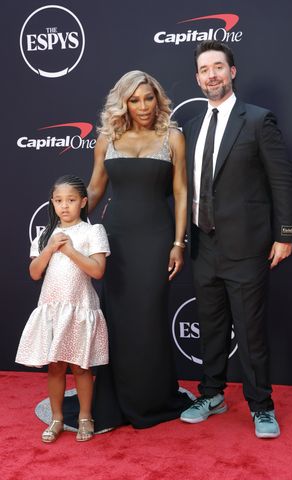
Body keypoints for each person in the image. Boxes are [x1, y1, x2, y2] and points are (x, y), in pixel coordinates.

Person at [62, 70, 193, 431]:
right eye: (134, 100)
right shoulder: (106, 139)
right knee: (116, 319)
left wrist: (179, 242)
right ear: (124, 103)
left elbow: (181, 192)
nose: (143, 106)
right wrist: (70, 221)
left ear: (157, 98)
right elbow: (96, 187)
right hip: (115, 238)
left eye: (148, 98)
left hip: (156, 237)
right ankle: (114, 397)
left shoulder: (173, 137)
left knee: (148, 316)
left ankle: (151, 397)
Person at [179, 41, 292, 438]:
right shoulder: (192, 127)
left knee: (250, 333)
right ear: (197, 78)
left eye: (218, 67)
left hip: (248, 248)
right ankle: (212, 394)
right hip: (203, 246)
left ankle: (261, 406)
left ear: (232, 71)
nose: (211, 74)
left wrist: (285, 234)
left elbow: (281, 180)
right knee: (211, 328)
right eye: (204, 69)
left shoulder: (258, 121)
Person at [16, 174, 110, 443]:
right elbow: (35, 273)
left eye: (70, 200)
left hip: (80, 307)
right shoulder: (45, 234)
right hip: (52, 309)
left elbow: (98, 270)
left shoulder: (93, 231)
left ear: (82, 202)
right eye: (58, 201)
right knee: (55, 367)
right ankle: (56, 418)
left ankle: (84, 417)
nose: (64, 206)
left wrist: (69, 251)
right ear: (52, 203)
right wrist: (50, 249)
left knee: (81, 367)